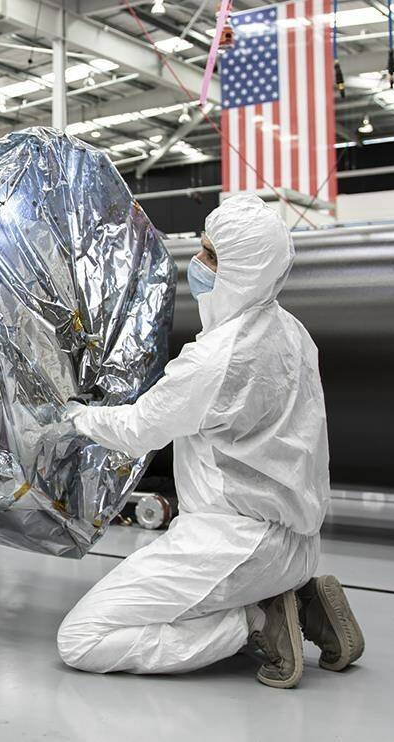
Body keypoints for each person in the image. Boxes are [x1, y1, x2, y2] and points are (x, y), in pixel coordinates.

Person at [54, 194, 364, 688]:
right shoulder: (294, 334)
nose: (198, 265)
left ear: (245, 271)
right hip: (301, 543)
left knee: (82, 638)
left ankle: (257, 620)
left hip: (233, 546)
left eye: (212, 256)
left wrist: (73, 416)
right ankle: (293, 592)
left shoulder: (215, 359)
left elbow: (138, 430)